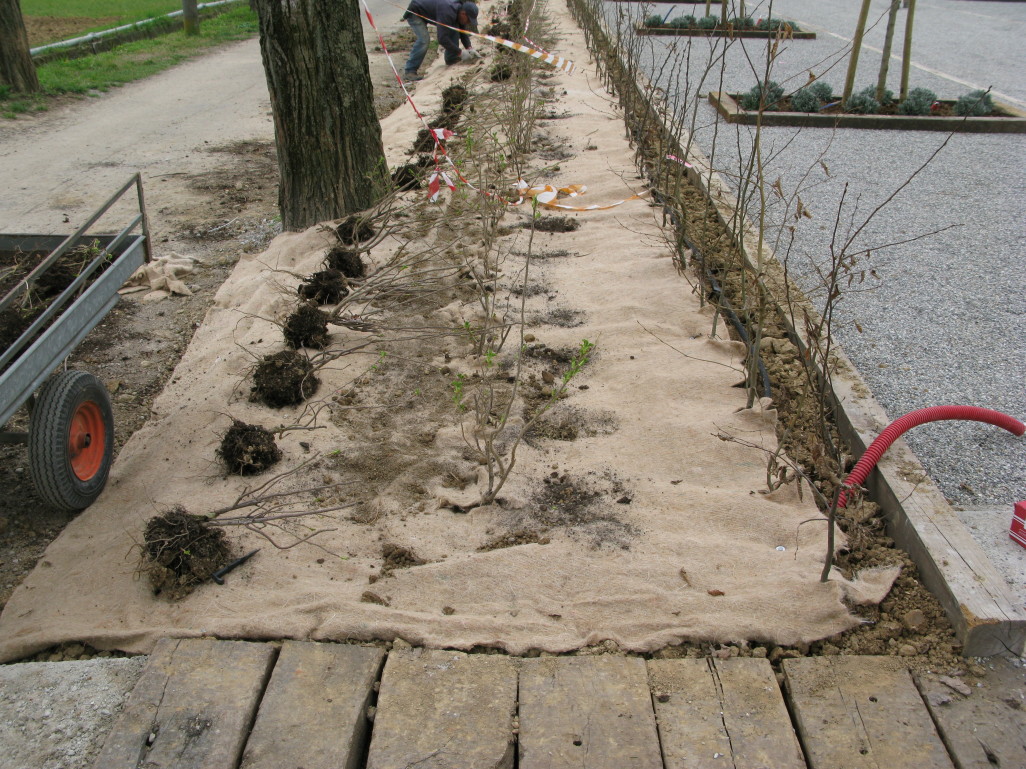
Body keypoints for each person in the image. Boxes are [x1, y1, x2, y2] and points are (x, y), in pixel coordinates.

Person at [403, 0, 479, 82]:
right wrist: (460, 53)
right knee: (424, 40)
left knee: (454, 28)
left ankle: (451, 59)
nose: (468, 23)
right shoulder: (448, 12)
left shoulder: (459, 11)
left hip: (429, 11)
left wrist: (469, 48)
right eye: (468, 20)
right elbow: (442, 38)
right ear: (463, 14)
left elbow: (462, 32)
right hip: (416, 11)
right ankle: (410, 71)